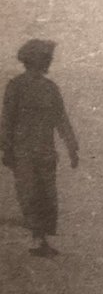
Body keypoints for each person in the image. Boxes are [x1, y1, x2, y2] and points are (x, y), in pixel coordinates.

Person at [1, 39, 80, 257]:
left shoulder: (50, 88)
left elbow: (61, 119)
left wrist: (72, 147)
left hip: (43, 151)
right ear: (35, 60)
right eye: (47, 58)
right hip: (23, 151)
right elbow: (7, 120)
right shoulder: (16, 86)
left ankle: (40, 238)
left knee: (46, 194)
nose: (49, 61)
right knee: (30, 193)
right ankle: (38, 238)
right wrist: (6, 149)